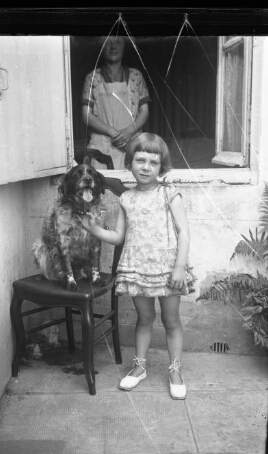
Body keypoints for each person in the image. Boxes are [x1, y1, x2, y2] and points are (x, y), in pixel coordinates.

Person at [81, 133, 196, 399]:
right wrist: (94, 228)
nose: (146, 167)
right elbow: (119, 236)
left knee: (171, 320)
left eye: (153, 162)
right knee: (144, 319)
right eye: (140, 160)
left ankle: (175, 369)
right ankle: (140, 367)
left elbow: (184, 232)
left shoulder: (169, 193)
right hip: (138, 268)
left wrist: (179, 267)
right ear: (130, 162)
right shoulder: (126, 199)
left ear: (161, 166)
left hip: (168, 269)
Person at [82, 36, 151, 170]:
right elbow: (86, 115)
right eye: (108, 43)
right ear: (101, 48)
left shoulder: (136, 76)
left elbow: (145, 111)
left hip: (131, 145)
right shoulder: (92, 78)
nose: (113, 47)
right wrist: (113, 133)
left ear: (124, 47)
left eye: (118, 43)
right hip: (102, 149)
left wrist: (127, 133)